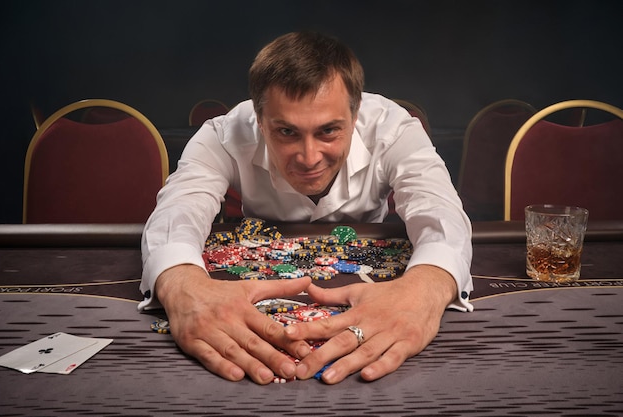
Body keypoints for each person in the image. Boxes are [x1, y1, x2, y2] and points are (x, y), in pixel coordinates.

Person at [139, 31, 473, 385]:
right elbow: (178, 209)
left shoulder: (394, 128)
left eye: (328, 131)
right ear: (259, 117)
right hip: (261, 273)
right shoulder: (223, 135)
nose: (309, 157)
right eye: (286, 132)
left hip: (369, 280)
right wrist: (180, 283)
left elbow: (439, 208)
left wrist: (426, 288)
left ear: (356, 113)